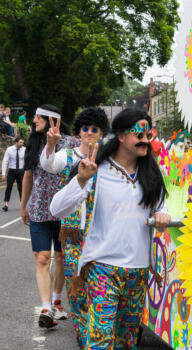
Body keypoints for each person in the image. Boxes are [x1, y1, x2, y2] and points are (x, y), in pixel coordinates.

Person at [50, 108, 170, 348]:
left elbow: (160, 209)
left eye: (149, 135)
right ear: (122, 136)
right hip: (102, 269)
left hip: (138, 272)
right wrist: (81, 180)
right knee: (100, 340)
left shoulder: (151, 176)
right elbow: (57, 209)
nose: (145, 140)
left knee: (125, 341)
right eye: (140, 134)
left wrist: (163, 215)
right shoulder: (95, 171)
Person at [40, 107, 108, 347]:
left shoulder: (106, 161)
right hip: (73, 236)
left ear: (101, 133)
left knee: (100, 289)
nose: (89, 133)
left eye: (94, 129)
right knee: (77, 289)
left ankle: (98, 330)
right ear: (79, 132)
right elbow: (49, 164)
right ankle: (83, 336)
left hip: (100, 237)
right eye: (85, 129)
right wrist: (50, 145)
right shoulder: (67, 156)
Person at [21, 104, 79, 328]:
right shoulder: (33, 142)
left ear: (51, 120)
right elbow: (28, 175)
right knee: (42, 258)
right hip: (39, 210)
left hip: (65, 212)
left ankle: (57, 302)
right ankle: (46, 308)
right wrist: (24, 205)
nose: (33, 120)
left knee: (61, 258)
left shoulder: (71, 143)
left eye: (37, 117)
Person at [2, 136, 25, 211]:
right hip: (12, 171)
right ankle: (6, 204)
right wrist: (3, 173)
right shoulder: (9, 150)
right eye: (20, 142)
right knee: (9, 187)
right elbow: (5, 161)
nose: (22, 144)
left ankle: (22, 204)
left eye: (23, 142)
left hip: (21, 171)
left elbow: (27, 161)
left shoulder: (24, 150)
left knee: (21, 188)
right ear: (16, 142)